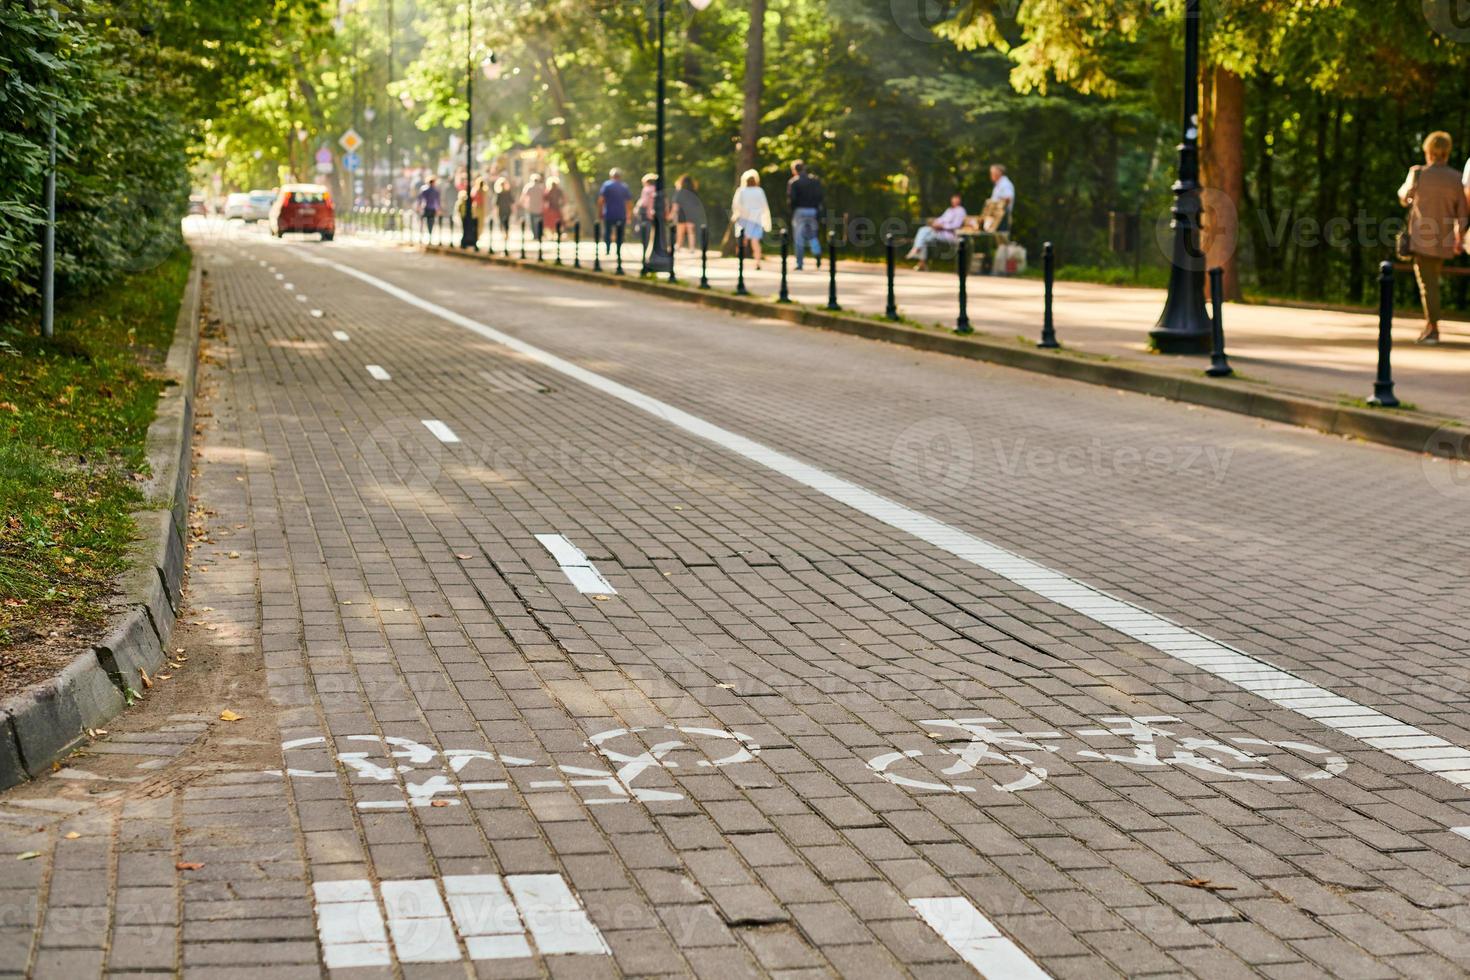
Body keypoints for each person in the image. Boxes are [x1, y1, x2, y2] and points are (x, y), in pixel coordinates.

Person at [1403, 131, 1467, 345]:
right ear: (1447, 152)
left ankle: (1433, 329)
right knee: (1431, 281)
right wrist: (1459, 238)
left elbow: (1403, 196)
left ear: (1428, 151)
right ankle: (1430, 326)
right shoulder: (1457, 178)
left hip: (1422, 239)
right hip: (1445, 240)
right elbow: (1463, 214)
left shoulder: (1418, 173)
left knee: (1428, 284)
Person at [906, 193, 967, 271]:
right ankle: (922, 263)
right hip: (939, 233)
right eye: (953, 198)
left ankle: (916, 249)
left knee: (922, 231)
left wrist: (942, 227)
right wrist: (935, 224)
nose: (954, 200)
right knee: (923, 238)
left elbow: (956, 225)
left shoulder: (960, 211)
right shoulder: (949, 210)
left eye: (956, 198)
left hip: (950, 235)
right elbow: (941, 219)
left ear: (960, 200)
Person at [730, 169, 772, 268]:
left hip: (744, 219)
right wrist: (765, 219)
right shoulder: (759, 191)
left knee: (742, 241)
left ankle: (740, 262)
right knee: (755, 242)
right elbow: (764, 206)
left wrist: (741, 213)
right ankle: (757, 262)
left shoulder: (741, 190)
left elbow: (736, 205)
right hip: (757, 220)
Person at [787, 160, 824, 270]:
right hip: (812, 211)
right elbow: (819, 196)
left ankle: (800, 263)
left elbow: (791, 199)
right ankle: (817, 254)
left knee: (799, 238)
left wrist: (792, 210)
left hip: (800, 211)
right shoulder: (814, 180)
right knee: (812, 235)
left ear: (794, 170)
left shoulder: (794, 182)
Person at [597, 168, 633, 254]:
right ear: (620, 176)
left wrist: (600, 212)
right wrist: (629, 214)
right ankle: (618, 251)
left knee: (607, 232)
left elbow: (601, 200)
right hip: (621, 214)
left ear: (611, 176)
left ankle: (608, 249)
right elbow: (629, 202)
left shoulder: (606, 185)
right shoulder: (624, 186)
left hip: (608, 213)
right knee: (620, 233)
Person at [671, 175, 703, 251]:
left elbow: (675, 205)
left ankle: (678, 246)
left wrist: (672, 214)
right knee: (691, 232)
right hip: (691, 214)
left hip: (681, 213)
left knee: (680, 232)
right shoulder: (694, 192)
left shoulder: (679, 192)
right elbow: (697, 204)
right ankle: (692, 248)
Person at [988, 163, 1015, 244]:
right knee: (1000, 241)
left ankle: (1008, 256)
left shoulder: (1005, 184)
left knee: (1003, 240)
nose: (991, 175)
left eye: (992, 173)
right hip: (999, 216)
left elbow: (1008, 198)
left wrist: (996, 205)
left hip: (1003, 216)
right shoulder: (999, 184)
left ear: (998, 173)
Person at [518, 173, 546, 240]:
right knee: (539, 221)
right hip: (540, 207)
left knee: (532, 222)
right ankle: (539, 234)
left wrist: (522, 204)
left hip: (531, 207)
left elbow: (523, 197)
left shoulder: (528, 187)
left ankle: (535, 235)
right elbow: (545, 197)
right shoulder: (541, 187)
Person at [417, 177, 441, 242]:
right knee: (430, 223)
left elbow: (420, 199)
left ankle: (422, 237)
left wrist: (418, 206)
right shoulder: (435, 191)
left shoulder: (424, 190)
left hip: (426, 208)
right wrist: (438, 209)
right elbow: (437, 201)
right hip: (431, 209)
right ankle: (429, 237)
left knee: (423, 222)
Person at [494, 177, 514, 243]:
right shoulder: (499, 193)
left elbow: (512, 201)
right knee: (503, 222)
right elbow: (496, 203)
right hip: (502, 209)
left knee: (505, 222)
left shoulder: (507, 192)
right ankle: (505, 233)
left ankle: (506, 233)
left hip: (506, 209)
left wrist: (513, 208)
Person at [471, 177, 489, 247]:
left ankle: (478, 235)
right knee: (479, 222)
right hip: (479, 208)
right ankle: (477, 235)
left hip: (478, 208)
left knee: (478, 222)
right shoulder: (480, 191)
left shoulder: (478, 190)